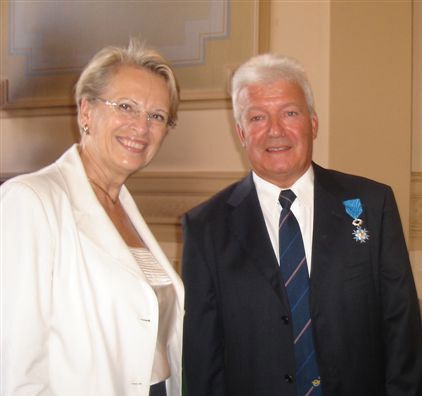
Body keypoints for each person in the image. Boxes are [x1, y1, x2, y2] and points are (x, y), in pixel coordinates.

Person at [182, 53, 422, 396]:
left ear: (313, 122)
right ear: (241, 132)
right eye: (257, 117)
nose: (275, 130)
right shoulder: (205, 227)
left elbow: (403, 328)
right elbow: (203, 357)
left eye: (290, 113)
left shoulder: (372, 203)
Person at [1, 38, 184, 396]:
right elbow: (15, 368)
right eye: (126, 107)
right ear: (86, 111)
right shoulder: (31, 201)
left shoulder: (124, 207)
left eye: (156, 116)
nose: (141, 127)